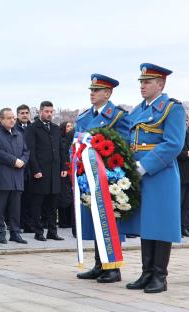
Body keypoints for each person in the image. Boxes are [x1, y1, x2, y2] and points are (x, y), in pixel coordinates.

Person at [123, 64, 186, 293]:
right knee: (146, 223)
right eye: (141, 82)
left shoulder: (172, 108)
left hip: (161, 173)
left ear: (161, 84)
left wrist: (144, 165)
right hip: (139, 173)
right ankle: (146, 272)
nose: (143, 86)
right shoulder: (137, 110)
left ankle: (160, 276)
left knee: (160, 224)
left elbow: (174, 143)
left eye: (148, 82)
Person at [74, 74, 129, 283]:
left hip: (110, 176)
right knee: (95, 220)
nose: (92, 94)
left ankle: (113, 268)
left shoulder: (118, 116)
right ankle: (99, 264)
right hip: (89, 177)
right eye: (91, 90)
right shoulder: (84, 117)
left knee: (109, 221)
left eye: (96, 91)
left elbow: (124, 145)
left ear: (108, 93)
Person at [25, 101, 67, 242]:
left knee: (52, 204)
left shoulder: (55, 128)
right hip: (40, 173)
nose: (49, 114)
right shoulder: (32, 128)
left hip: (54, 172)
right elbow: (30, 151)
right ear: (40, 112)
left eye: (51, 111)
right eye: (46, 111)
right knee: (38, 204)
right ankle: (38, 231)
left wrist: (63, 167)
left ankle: (52, 231)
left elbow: (61, 149)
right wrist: (35, 169)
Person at [0, 108, 29, 244]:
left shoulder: (18, 134)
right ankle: (1, 233)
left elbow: (26, 151)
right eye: (9, 118)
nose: (12, 120)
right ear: (1, 119)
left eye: (13, 118)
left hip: (17, 176)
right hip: (2, 176)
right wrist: (14, 161)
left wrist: (23, 161)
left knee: (15, 208)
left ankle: (15, 233)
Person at [14, 104, 33, 233]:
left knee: (29, 198)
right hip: (18, 167)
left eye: (26, 113)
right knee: (16, 199)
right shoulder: (14, 128)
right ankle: (15, 223)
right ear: (17, 115)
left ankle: (27, 223)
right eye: (22, 113)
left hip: (31, 168)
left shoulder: (32, 128)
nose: (25, 115)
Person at [59, 121, 75, 230]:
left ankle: (71, 220)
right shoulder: (61, 141)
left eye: (71, 126)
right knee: (64, 196)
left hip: (73, 170)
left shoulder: (74, 140)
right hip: (64, 170)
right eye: (67, 126)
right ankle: (63, 221)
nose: (69, 128)